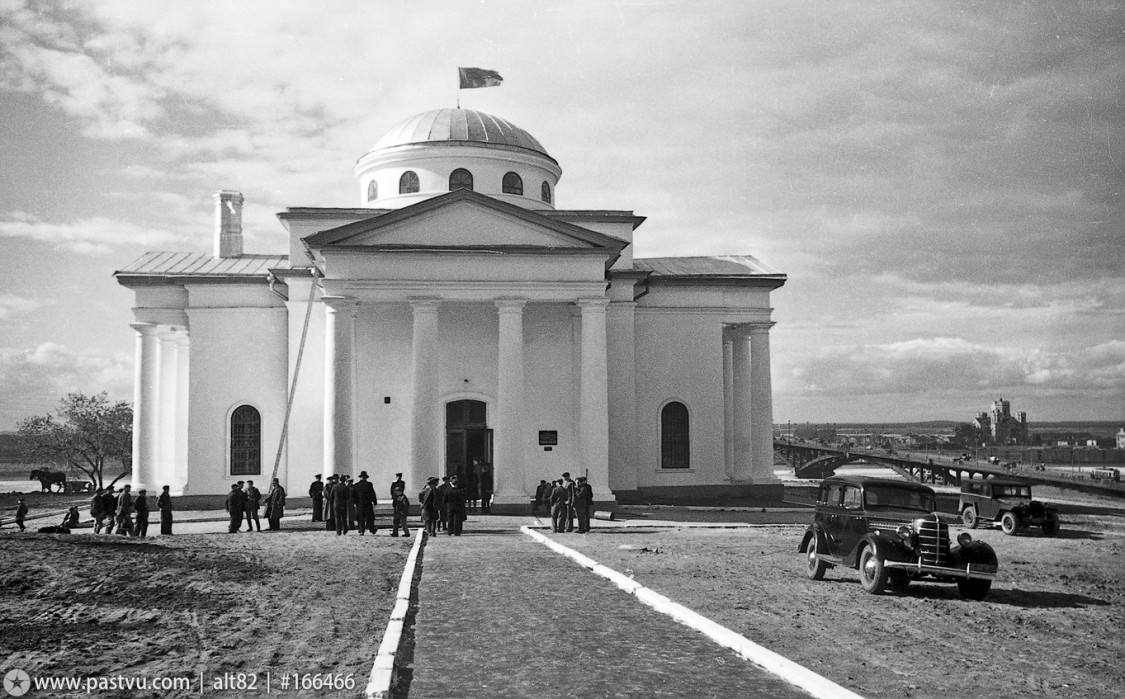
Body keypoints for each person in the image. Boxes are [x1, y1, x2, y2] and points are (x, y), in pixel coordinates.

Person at [353, 471, 378, 536]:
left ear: (360, 477)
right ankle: (372, 529)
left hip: (360, 504)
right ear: (366, 477)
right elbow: (372, 493)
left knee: (361, 518)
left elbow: (354, 495)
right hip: (368, 504)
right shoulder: (369, 484)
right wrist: (374, 501)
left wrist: (354, 502)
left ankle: (361, 530)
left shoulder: (356, 485)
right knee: (369, 518)